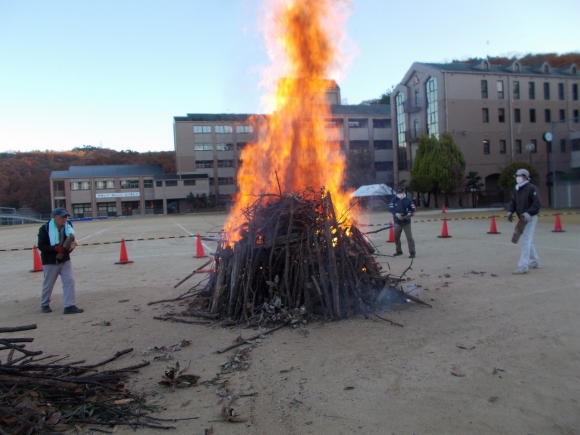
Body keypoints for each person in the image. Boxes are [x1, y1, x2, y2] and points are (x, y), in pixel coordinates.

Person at [37, 207, 84, 314]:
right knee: (48, 284)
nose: (64, 219)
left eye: (66, 216)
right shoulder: (44, 229)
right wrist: (55, 248)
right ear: (54, 217)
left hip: (65, 259)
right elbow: (41, 246)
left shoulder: (69, 227)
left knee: (69, 281)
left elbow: (71, 240)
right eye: (62, 217)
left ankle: (69, 305)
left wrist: (71, 247)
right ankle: (44, 303)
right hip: (50, 261)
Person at [507, 168, 541, 274]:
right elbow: (513, 201)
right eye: (516, 176)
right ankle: (535, 261)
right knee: (528, 240)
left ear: (525, 177)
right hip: (522, 218)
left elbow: (537, 204)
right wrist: (510, 211)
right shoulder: (518, 188)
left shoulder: (531, 188)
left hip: (530, 218)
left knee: (525, 240)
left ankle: (523, 266)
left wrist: (529, 213)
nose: (517, 178)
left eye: (519, 176)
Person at [389, 187, 416, 258]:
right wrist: (396, 214)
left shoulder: (408, 200)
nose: (400, 194)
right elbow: (391, 209)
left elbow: (412, 209)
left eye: (401, 193)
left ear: (404, 193)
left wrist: (409, 214)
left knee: (409, 237)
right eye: (398, 193)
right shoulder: (394, 200)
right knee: (396, 237)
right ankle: (399, 251)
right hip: (397, 222)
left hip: (406, 222)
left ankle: (412, 252)